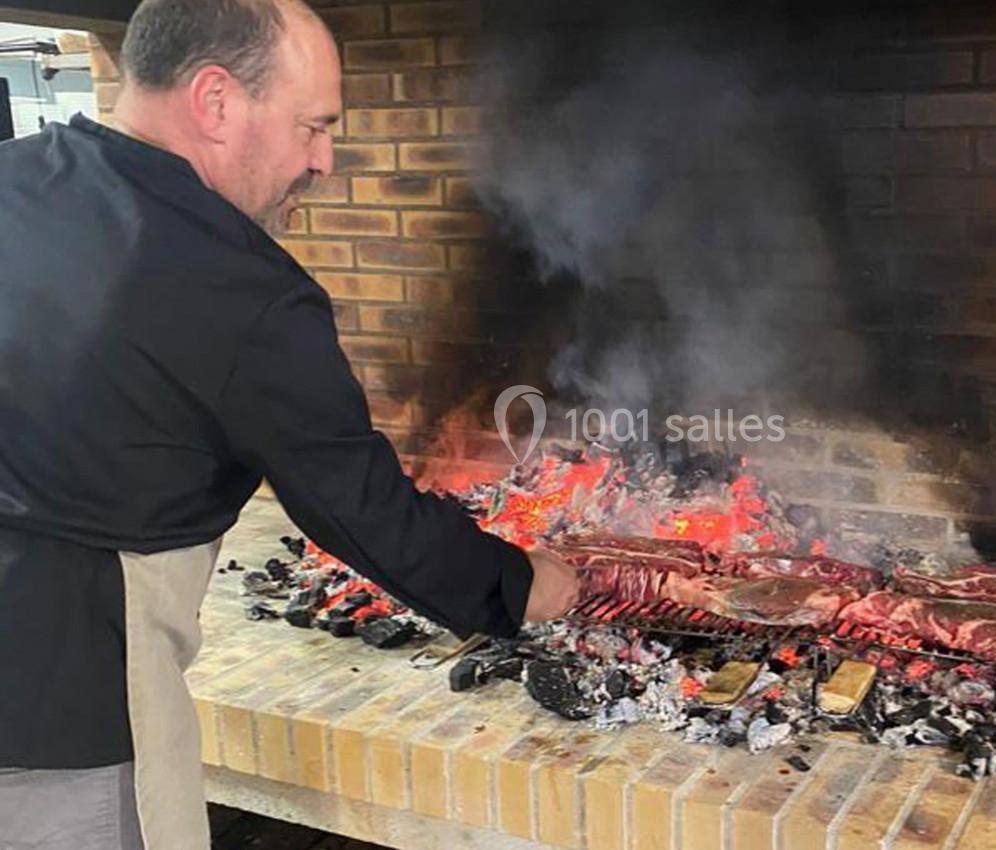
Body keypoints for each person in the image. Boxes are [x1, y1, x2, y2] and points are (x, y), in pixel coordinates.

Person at [0, 0, 579, 847]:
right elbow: (360, 505)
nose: (325, 160)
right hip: (71, 698)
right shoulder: (241, 287)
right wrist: (518, 585)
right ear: (216, 100)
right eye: (313, 126)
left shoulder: (15, 179)